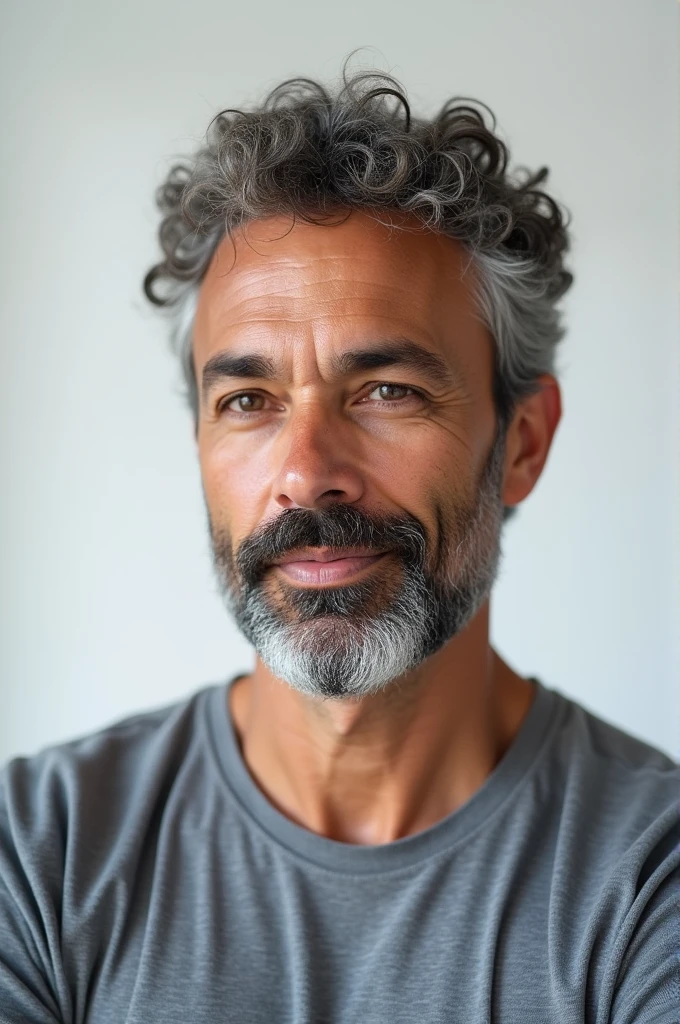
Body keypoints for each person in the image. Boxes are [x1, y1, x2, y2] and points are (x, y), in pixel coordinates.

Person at [1, 66, 678, 1024]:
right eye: (248, 402)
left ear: (520, 442)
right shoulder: (41, 856)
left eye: (387, 390)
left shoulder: (650, 875)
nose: (307, 470)